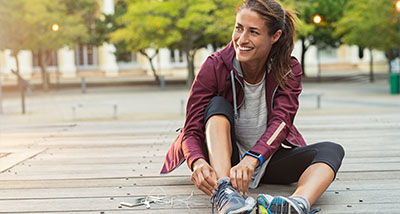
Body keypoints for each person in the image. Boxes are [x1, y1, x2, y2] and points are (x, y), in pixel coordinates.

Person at [161, 0, 345, 213]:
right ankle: (225, 192)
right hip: (226, 163)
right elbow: (191, 129)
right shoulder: (215, 65)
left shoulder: (288, 69)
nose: (242, 39)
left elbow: (282, 122)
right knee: (217, 105)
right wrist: (197, 162)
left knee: (332, 150)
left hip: (266, 159)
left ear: (274, 36)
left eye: (253, 32)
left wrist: (253, 159)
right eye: (239, 28)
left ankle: (298, 204)